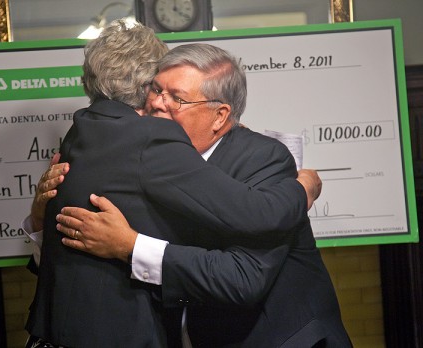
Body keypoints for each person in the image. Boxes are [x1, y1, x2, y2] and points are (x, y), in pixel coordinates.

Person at [25, 20, 320, 348]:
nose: (157, 103)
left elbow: (243, 276)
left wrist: (129, 245)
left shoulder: (262, 158)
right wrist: (303, 189)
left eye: (176, 97)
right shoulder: (138, 143)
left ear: (220, 115)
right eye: (157, 89)